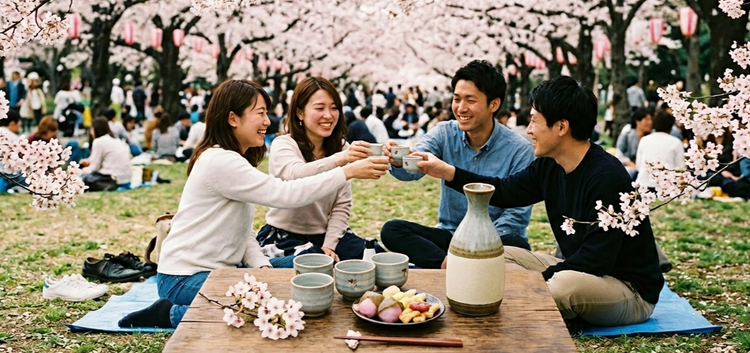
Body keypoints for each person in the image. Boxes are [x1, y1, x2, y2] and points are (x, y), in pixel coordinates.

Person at [118, 79, 389, 329]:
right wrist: (347, 169)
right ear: (233, 118)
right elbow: (286, 193)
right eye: (259, 113)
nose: (267, 122)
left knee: (315, 269)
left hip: (227, 270)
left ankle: (206, 300)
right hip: (183, 278)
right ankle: (171, 313)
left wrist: (263, 267)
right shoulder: (221, 160)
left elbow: (244, 230)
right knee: (264, 307)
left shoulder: (235, 159)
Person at [415, 75, 664, 328]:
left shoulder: (605, 177)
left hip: (625, 288)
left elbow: (596, 260)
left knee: (560, 288)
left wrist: (539, 280)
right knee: (497, 257)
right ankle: (535, 297)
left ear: (561, 127)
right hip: (574, 268)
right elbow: (504, 190)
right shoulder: (550, 164)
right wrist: (448, 172)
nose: (529, 129)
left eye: (534, 121)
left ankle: (536, 298)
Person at [380, 60, 535, 269]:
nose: (461, 108)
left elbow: (515, 216)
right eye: (456, 99)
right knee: (392, 230)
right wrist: (398, 159)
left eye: (470, 100)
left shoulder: (520, 150)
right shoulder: (444, 133)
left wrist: (475, 247)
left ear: (494, 104)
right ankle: (450, 266)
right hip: (451, 234)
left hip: (498, 239)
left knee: (516, 244)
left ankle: (452, 265)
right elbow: (414, 169)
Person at [258, 76, 380, 266]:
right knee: (318, 266)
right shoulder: (284, 144)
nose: (329, 115)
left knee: (375, 259)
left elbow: (342, 205)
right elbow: (295, 176)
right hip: (284, 237)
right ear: (299, 112)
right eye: (319, 108)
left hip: (328, 235)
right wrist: (343, 159)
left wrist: (330, 245)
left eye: (334, 108)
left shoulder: (341, 148)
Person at [635, 111, 685, 190]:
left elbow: (638, 165)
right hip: (667, 187)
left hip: (643, 185)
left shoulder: (644, 140)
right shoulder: (676, 142)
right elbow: (681, 168)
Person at [80, 117, 132, 190]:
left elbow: (94, 168)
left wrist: (80, 171)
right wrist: (88, 162)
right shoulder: (115, 140)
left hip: (111, 179)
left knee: (82, 178)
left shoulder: (99, 141)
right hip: (126, 179)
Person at [615, 107, 653, 179]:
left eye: (651, 119)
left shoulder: (652, 137)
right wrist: (633, 165)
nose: (650, 122)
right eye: (647, 119)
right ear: (637, 121)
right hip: (631, 167)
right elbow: (619, 154)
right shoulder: (627, 135)